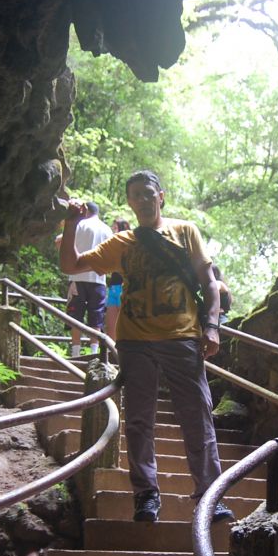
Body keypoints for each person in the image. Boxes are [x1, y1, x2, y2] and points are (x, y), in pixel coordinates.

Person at [57, 170, 231, 523]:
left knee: (197, 417)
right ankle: (146, 495)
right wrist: (71, 223)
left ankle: (209, 494)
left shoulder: (185, 231)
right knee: (139, 420)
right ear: (129, 201)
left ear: (160, 196)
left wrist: (212, 328)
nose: (143, 199)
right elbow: (71, 265)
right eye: (136, 194)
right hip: (135, 342)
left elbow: (209, 283)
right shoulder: (122, 243)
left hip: (182, 337)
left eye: (148, 193)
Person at [59, 201, 113, 357]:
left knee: (76, 316)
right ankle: (94, 353)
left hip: (77, 278)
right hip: (98, 279)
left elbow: (59, 241)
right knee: (96, 317)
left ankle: (76, 353)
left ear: (86, 210)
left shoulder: (79, 225)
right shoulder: (107, 229)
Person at [105, 217, 131, 339]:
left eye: (115, 228)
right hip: (113, 288)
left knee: (125, 327)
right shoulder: (112, 246)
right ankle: (112, 351)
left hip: (124, 288)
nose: (113, 230)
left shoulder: (129, 245)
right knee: (110, 328)